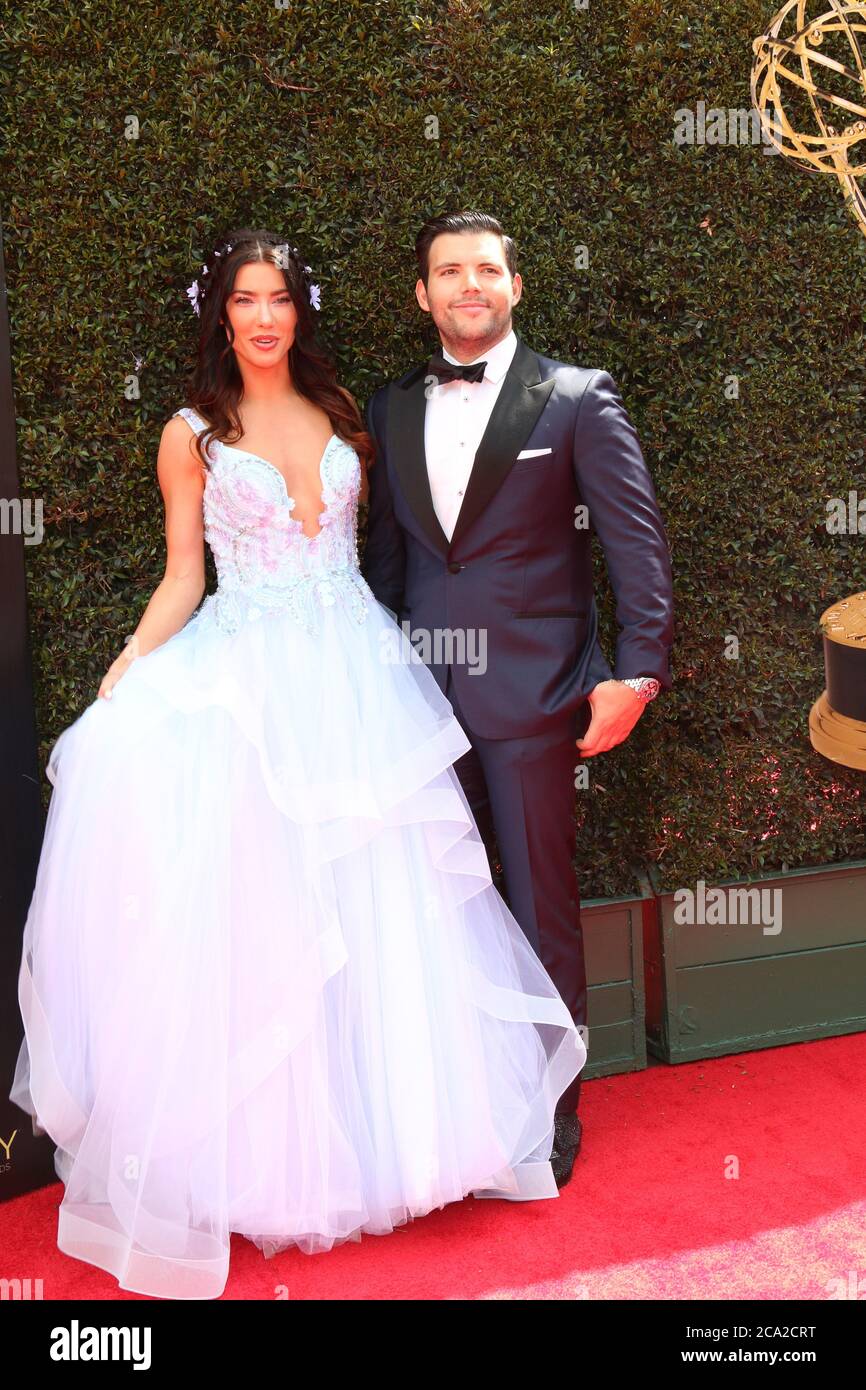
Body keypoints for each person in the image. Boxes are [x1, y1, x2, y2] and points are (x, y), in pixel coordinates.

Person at [8, 226, 586, 1302]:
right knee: (271, 916)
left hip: (358, 673)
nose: (264, 316)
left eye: (278, 298)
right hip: (251, 680)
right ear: (218, 314)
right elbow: (187, 574)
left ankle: (407, 1147)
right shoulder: (188, 432)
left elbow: (384, 552)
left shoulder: (342, 417)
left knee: (387, 907)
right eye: (245, 299)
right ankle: (277, 1170)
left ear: (296, 310)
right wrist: (131, 662)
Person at [362, 210, 675, 1182]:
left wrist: (635, 672)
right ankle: (447, 1115)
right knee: (426, 909)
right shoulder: (386, 408)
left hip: (535, 696)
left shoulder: (577, 398)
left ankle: (548, 1119)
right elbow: (385, 563)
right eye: (448, 271)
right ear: (421, 293)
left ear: (514, 285)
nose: (468, 285)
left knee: (540, 909)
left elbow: (635, 543)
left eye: (484, 269)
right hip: (414, 704)